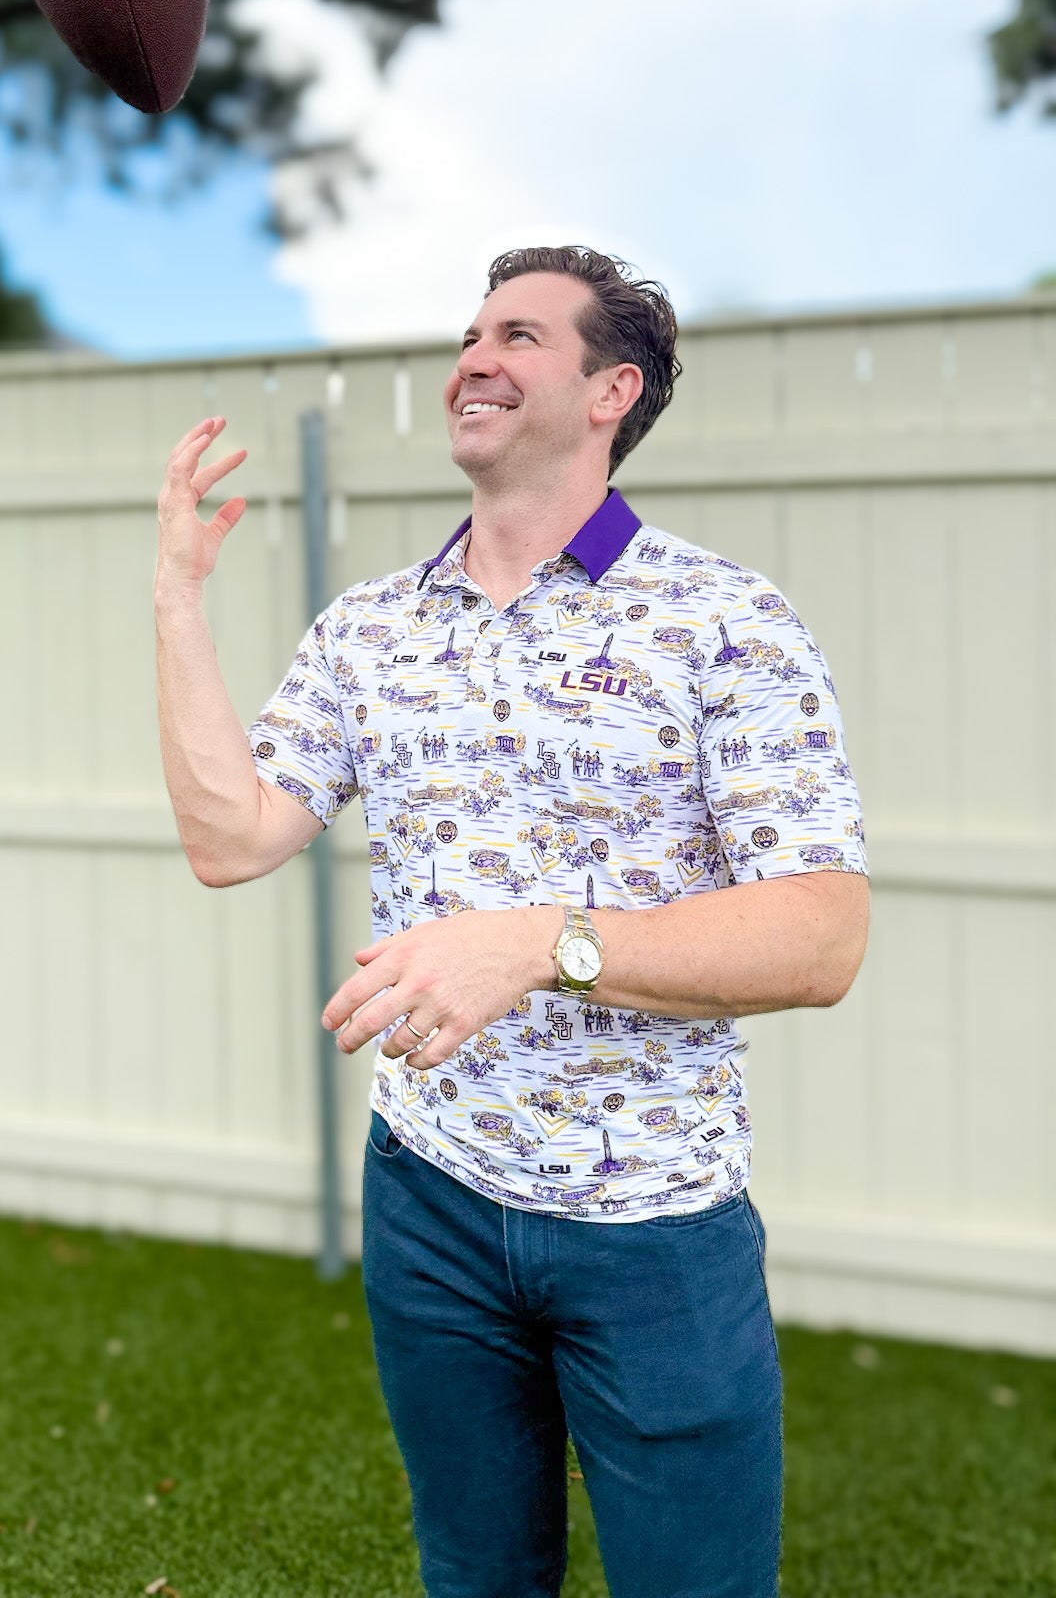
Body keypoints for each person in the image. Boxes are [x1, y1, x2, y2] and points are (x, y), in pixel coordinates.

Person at [153, 244, 869, 1598]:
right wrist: (177, 598)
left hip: (655, 1224)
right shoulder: (371, 630)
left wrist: (541, 943)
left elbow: (823, 935)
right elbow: (229, 838)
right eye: (472, 335)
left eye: (520, 336)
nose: (474, 360)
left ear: (612, 391)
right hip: (428, 1197)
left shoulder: (726, 622)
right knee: (476, 1577)